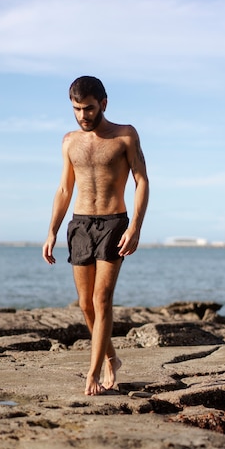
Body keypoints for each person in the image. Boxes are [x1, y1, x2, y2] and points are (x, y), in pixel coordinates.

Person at [42, 76, 149, 396]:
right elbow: (64, 188)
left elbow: (141, 181)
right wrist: (51, 231)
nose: (83, 115)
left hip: (113, 223)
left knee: (102, 300)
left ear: (103, 103)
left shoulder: (125, 135)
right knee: (85, 304)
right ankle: (111, 358)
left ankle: (95, 373)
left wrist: (135, 227)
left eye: (88, 108)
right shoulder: (69, 141)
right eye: (76, 109)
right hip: (80, 225)